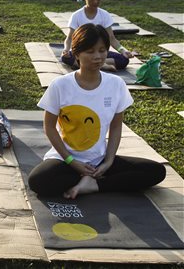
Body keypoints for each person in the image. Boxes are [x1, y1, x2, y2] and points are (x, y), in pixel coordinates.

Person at [28, 23, 165, 199]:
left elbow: (116, 127)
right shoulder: (60, 85)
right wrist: (72, 161)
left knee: (156, 171)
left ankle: (93, 184)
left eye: (102, 50)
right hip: (66, 160)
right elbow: (49, 128)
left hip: (99, 160)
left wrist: (108, 162)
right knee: (38, 181)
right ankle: (85, 177)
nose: (98, 57)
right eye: (90, 51)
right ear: (77, 53)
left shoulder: (116, 85)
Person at [62, 0, 133, 72]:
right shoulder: (77, 15)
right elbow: (69, 38)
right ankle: (101, 65)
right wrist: (66, 50)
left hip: (100, 52)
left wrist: (123, 51)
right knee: (66, 58)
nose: (95, 2)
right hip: (84, 52)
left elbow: (111, 38)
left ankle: (89, 64)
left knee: (123, 60)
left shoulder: (104, 15)